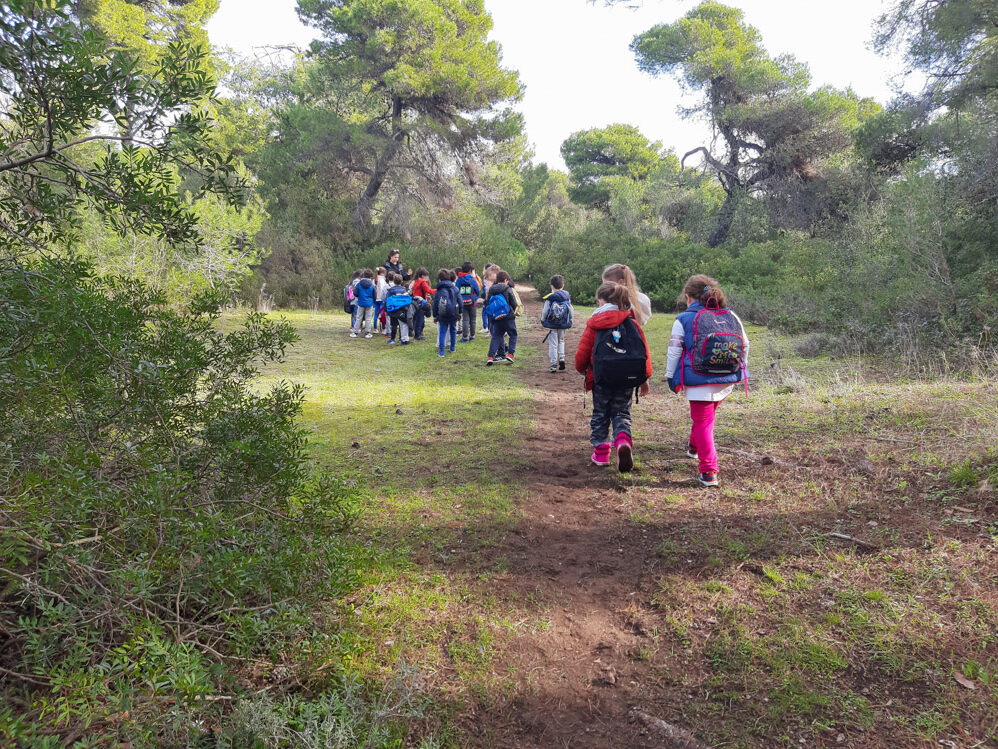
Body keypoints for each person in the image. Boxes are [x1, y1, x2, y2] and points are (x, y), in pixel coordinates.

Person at [666, 274, 749, 488]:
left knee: (704, 422)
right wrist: (740, 368)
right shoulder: (731, 315)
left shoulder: (683, 319)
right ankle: (694, 448)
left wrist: (669, 375)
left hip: (699, 379)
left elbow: (674, 352)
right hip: (726, 377)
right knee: (707, 417)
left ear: (688, 297)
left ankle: (709, 471)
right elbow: (745, 345)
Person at [575, 282, 652, 473]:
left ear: (602, 300)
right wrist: (644, 378)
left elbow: (582, 353)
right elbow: (643, 352)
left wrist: (582, 369)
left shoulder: (595, 323)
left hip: (601, 379)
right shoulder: (632, 322)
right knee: (621, 412)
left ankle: (601, 454)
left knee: (601, 414)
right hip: (627, 378)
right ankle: (622, 442)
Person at [485, 270, 522, 365]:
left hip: (496, 318)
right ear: (505, 280)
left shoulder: (492, 289)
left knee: (496, 336)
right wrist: (513, 312)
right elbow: (513, 303)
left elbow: (488, 303)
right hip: (508, 317)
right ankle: (510, 354)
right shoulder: (507, 289)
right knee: (513, 334)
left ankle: (490, 357)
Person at [541, 274, 573, 373]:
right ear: (563, 285)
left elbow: (545, 311)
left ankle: (553, 364)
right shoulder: (567, 297)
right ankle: (562, 358)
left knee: (553, 343)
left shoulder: (550, 297)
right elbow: (571, 309)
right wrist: (571, 319)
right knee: (561, 341)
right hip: (563, 323)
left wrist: (543, 319)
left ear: (551, 286)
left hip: (552, 323)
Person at [432, 268, 461, 357]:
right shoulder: (455, 288)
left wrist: (435, 315)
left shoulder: (439, 291)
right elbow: (460, 301)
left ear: (439, 279)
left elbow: (435, 304)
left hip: (443, 313)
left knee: (442, 332)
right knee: (453, 330)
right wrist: (460, 312)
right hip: (454, 313)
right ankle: (452, 348)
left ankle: (442, 352)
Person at [455, 262, 481, 342]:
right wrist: (475, 298)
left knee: (465, 320)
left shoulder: (459, 280)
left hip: (463, 303)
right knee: (472, 320)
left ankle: (465, 337)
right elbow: (477, 290)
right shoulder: (472, 280)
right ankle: (472, 337)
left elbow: (456, 290)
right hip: (472, 303)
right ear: (470, 270)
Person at [385, 273, 413, 345]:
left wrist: (386, 310)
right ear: (401, 281)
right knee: (402, 324)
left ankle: (392, 339)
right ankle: (401, 338)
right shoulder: (404, 290)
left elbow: (387, 300)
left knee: (393, 325)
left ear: (393, 281)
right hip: (403, 309)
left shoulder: (390, 290)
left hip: (393, 310)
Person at [351, 269, 376, 338]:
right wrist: (374, 302)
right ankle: (367, 333)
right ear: (370, 276)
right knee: (368, 318)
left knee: (358, 317)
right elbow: (374, 295)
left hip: (361, 302)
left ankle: (355, 332)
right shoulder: (372, 285)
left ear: (363, 275)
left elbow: (355, 293)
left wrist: (360, 296)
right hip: (369, 303)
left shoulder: (359, 284)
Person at [411, 267, 433, 341]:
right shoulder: (422, 282)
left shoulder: (414, 281)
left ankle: (418, 334)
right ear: (423, 275)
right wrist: (439, 289)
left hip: (414, 302)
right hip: (421, 303)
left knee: (417, 319)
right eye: (426, 275)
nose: (427, 277)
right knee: (420, 320)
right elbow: (430, 291)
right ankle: (417, 335)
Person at [374, 267, 388, 335]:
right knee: (382, 315)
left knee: (376, 314)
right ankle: (383, 328)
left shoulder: (374, 279)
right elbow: (383, 290)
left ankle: (375, 328)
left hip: (376, 299)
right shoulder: (382, 280)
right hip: (381, 299)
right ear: (383, 273)